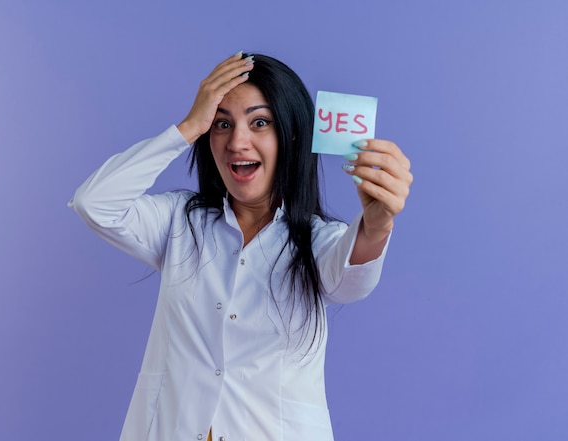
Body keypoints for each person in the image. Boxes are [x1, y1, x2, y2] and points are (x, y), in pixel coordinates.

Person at [69, 52, 412, 441]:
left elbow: (352, 280)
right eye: (221, 124)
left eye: (260, 122)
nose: (237, 142)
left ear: (291, 136)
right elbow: (94, 203)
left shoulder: (317, 242)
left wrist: (378, 222)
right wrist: (187, 127)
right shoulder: (179, 221)